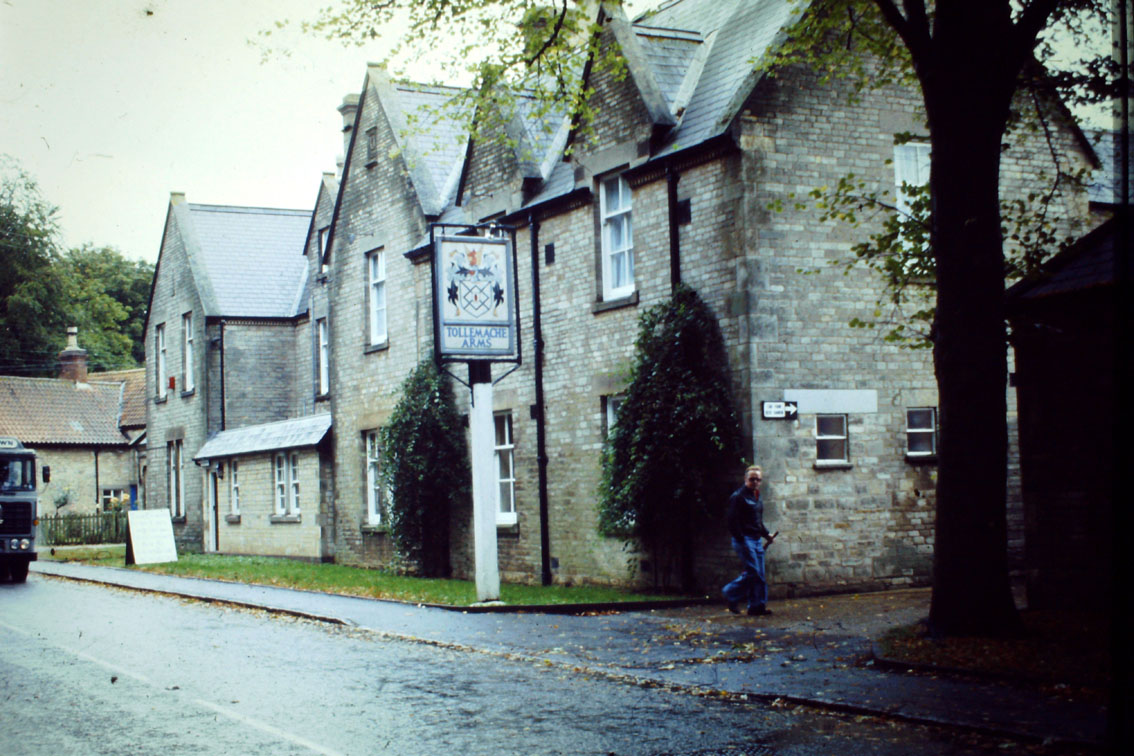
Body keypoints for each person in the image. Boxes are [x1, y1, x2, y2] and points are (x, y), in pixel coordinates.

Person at [722, 465, 774, 616]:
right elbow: (731, 521)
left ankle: (757, 607)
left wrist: (767, 535)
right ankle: (730, 593)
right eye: (752, 479)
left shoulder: (757, 495)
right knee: (754, 573)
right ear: (745, 479)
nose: (755, 482)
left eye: (758, 479)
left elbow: (757, 521)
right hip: (745, 540)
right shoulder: (737, 497)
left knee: (760, 574)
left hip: (756, 540)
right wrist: (742, 539)